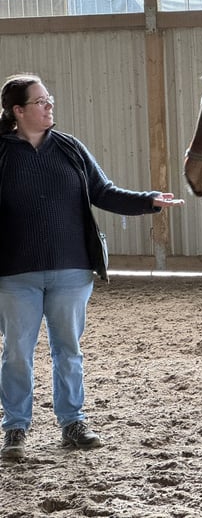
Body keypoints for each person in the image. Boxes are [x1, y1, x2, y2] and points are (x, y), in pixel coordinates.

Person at [0, 73, 185, 459]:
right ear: (17, 111)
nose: (49, 105)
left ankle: (72, 423)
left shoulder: (70, 148)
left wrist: (148, 200)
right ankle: (15, 429)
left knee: (68, 349)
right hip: (15, 273)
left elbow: (104, 192)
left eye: (49, 98)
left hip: (72, 269)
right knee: (17, 351)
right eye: (40, 101)